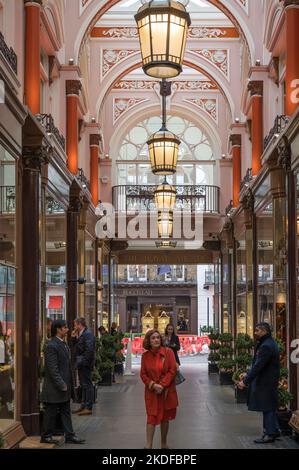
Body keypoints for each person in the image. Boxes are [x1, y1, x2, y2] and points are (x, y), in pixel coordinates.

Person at [41, 320, 85, 445]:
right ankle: (46, 436)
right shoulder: (51, 345)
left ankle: (70, 435)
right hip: (55, 388)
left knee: (66, 411)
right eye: (65, 327)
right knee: (51, 412)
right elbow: (52, 368)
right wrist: (61, 384)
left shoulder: (63, 344)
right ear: (58, 329)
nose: (67, 329)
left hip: (64, 386)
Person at [237, 322, 281, 444]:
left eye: (257, 331)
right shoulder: (268, 343)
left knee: (266, 406)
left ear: (264, 331)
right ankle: (274, 430)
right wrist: (247, 374)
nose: (255, 333)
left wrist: (245, 382)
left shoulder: (266, 345)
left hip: (266, 381)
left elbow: (258, 366)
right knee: (269, 406)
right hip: (269, 380)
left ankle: (269, 434)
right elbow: (259, 365)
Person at [140, 330, 178, 449]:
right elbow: (143, 374)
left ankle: (163, 443)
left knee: (165, 417)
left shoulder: (169, 352)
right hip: (152, 392)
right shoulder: (145, 356)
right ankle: (148, 445)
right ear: (148, 341)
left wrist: (162, 385)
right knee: (151, 416)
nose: (156, 340)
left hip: (166, 391)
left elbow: (172, 370)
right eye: (153, 338)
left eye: (158, 338)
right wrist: (153, 385)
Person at [71, 318, 96, 416]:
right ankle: (84, 405)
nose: (74, 327)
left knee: (87, 385)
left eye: (75, 324)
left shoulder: (87, 334)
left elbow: (89, 350)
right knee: (83, 385)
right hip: (81, 363)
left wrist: (84, 362)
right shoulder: (81, 334)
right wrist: (73, 338)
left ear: (79, 324)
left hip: (85, 364)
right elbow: (77, 348)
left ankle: (88, 407)